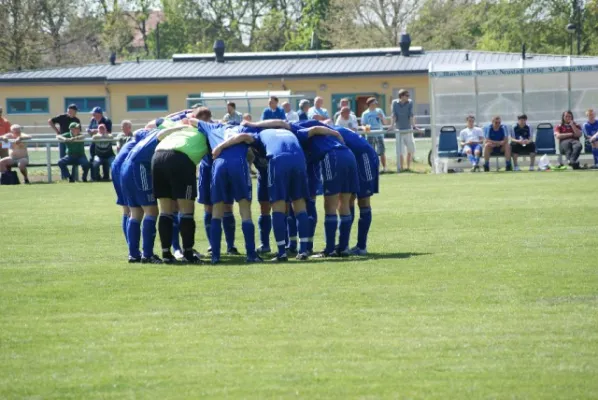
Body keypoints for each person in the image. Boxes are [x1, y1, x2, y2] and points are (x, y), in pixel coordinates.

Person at [243, 119, 358, 258]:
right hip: (346, 155)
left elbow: (292, 125)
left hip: (327, 157)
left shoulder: (278, 132)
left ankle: (322, 249)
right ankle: (334, 248)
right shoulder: (294, 135)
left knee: (328, 205)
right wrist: (336, 134)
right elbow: (314, 128)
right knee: (341, 203)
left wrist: (252, 124)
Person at [234, 122, 315, 261]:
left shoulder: (259, 134)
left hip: (278, 160)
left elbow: (243, 136)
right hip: (299, 160)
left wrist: (220, 147)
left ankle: (282, 253)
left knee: (278, 206)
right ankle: (303, 251)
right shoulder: (289, 132)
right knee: (300, 206)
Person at [198, 121, 262, 264]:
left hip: (219, 164)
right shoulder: (243, 128)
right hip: (238, 163)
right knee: (245, 209)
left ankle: (215, 257)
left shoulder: (214, 127)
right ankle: (251, 254)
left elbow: (191, 120)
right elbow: (245, 136)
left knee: (217, 209)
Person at [121, 124, 187, 264]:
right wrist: (179, 128)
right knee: (151, 211)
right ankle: (148, 254)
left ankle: (133, 254)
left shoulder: (146, 136)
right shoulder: (158, 134)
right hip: (139, 169)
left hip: (125, 169)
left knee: (135, 213)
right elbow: (162, 134)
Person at [152, 116, 210, 264]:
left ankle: (166, 253)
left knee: (165, 210)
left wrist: (183, 117)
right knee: (186, 211)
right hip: (180, 159)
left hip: (157, 156)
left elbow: (157, 123)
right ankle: (189, 254)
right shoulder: (206, 130)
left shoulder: (177, 125)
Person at [195, 107, 240, 257]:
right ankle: (212, 244)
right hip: (206, 169)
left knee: (227, 205)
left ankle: (230, 245)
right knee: (209, 207)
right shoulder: (196, 130)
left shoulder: (216, 127)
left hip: (220, 168)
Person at [112, 129, 150, 249]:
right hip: (125, 169)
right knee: (132, 211)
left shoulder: (132, 141)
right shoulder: (143, 142)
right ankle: (134, 248)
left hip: (118, 167)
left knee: (127, 210)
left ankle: (132, 247)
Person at [361, 97, 388, 173]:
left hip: (379, 134)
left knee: (381, 152)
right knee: (371, 152)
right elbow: (363, 124)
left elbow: (385, 123)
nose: (375, 104)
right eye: (374, 103)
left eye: (376, 103)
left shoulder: (379, 111)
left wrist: (382, 117)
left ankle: (384, 168)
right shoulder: (365, 113)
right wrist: (366, 129)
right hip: (370, 135)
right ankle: (373, 168)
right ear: (370, 104)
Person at [391, 89, 416, 171]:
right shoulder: (395, 103)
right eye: (407, 95)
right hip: (399, 130)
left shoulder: (410, 102)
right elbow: (394, 114)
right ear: (401, 96)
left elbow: (411, 115)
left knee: (410, 149)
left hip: (408, 129)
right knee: (400, 151)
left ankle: (408, 167)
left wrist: (414, 126)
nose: (408, 97)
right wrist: (391, 126)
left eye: (408, 95)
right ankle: (401, 167)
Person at [87, 107, 112, 172]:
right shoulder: (92, 120)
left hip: (104, 144)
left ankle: (106, 177)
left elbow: (108, 132)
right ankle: (95, 177)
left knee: (105, 159)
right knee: (92, 159)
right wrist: (91, 131)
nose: (93, 116)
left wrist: (96, 131)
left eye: (94, 114)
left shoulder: (107, 120)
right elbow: (89, 130)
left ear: (99, 114)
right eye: (93, 114)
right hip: (94, 143)